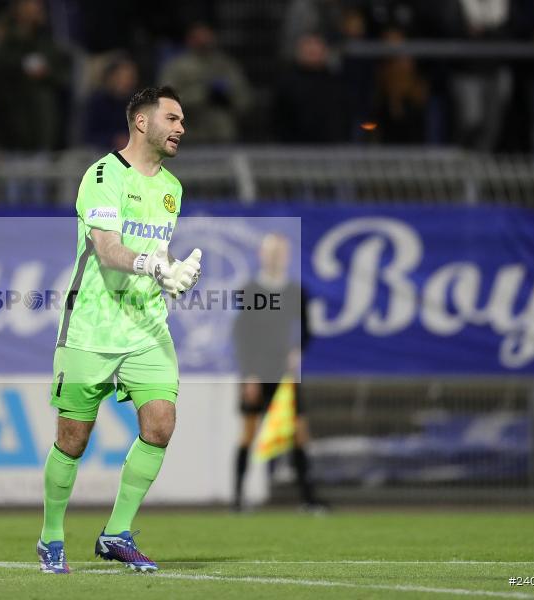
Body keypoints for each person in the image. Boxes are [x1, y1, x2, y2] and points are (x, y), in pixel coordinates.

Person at [37, 86, 201, 574]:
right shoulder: (104, 175)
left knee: (161, 423)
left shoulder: (172, 188)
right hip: (91, 324)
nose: (181, 128)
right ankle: (50, 538)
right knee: (73, 438)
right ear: (141, 123)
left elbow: (153, 252)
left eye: (183, 120)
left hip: (146, 328)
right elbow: (108, 249)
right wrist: (154, 263)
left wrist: (174, 273)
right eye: (172, 118)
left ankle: (117, 533)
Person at [232, 233, 326, 513]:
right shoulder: (250, 290)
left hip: (284, 375)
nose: (274, 257)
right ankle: (237, 501)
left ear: (286, 257)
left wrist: (297, 349)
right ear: (262, 255)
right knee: (249, 433)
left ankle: (308, 500)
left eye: (280, 252)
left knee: (298, 433)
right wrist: (248, 374)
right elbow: (242, 334)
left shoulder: (295, 291)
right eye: (270, 252)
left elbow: (307, 329)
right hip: (257, 374)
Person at [0, 0, 71, 150]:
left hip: (42, 109)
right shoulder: (5, 33)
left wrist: (46, 72)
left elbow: (62, 73)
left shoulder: (46, 37)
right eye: (30, 5)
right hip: (10, 100)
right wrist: (21, 65)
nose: (35, 9)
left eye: (38, 5)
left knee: (44, 99)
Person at [159, 22, 251, 143]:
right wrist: (202, 94)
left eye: (207, 36)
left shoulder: (226, 65)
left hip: (223, 135)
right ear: (189, 39)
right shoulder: (176, 67)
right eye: (198, 37)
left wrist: (228, 97)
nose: (204, 41)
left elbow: (245, 100)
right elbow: (165, 103)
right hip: (189, 134)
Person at [82, 53, 139, 150]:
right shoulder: (97, 103)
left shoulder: (139, 103)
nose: (127, 82)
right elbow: (86, 137)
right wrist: (113, 140)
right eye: (122, 77)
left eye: (130, 77)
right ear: (111, 78)